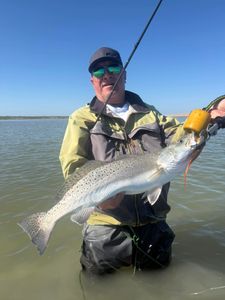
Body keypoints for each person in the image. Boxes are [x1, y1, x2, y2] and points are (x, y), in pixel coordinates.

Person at [59, 47, 225, 275]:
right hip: (106, 225)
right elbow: (73, 166)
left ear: (124, 74)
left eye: (114, 67)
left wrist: (209, 115)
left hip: (153, 222)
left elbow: (182, 138)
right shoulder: (81, 117)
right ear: (92, 80)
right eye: (99, 71)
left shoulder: (152, 114)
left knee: (160, 282)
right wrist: (98, 202)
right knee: (99, 287)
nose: (107, 74)